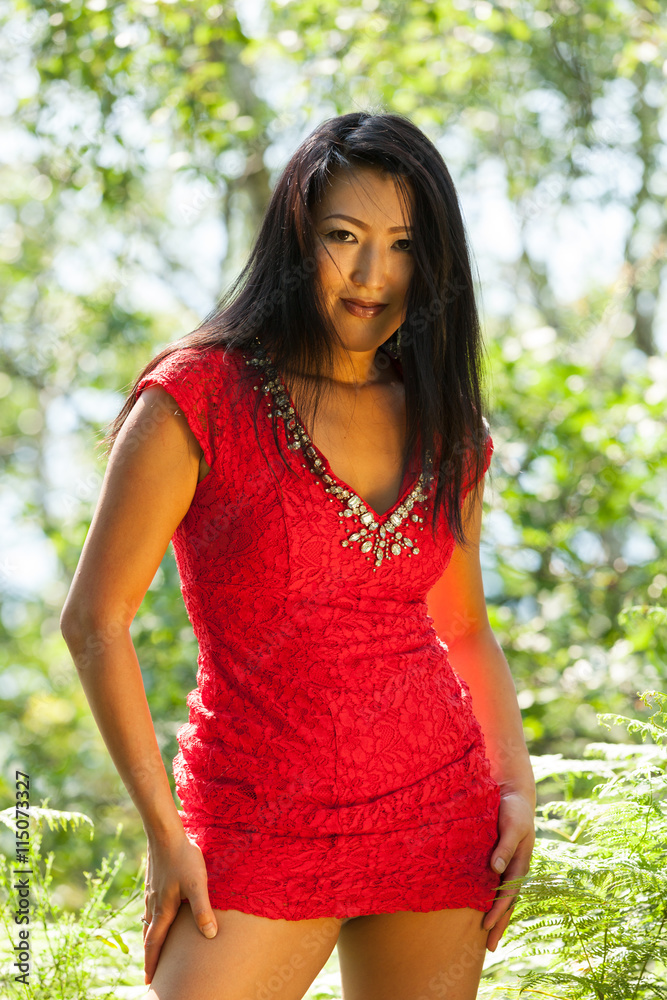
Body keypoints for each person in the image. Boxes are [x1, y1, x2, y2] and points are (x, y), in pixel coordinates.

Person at [60, 111, 536, 1000]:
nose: (370, 275)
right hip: (256, 823)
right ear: (295, 238)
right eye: (343, 238)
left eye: (401, 245)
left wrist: (516, 785)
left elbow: (464, 627)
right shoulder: (198, 394)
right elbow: (95, 621)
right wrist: (165, 836)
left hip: (437, 817)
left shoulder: (445, 424)